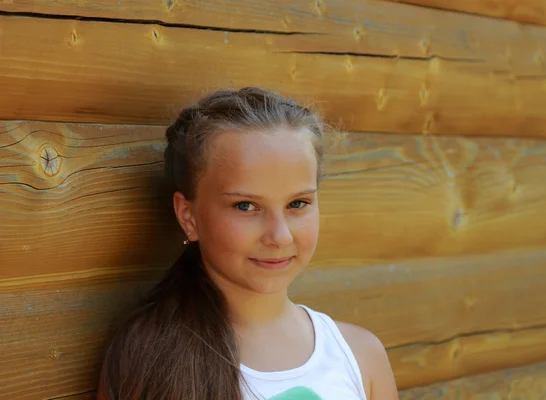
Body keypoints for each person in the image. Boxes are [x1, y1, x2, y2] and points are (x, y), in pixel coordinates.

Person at [97, 87, 398, 400]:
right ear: (189, 216)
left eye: (297, 204)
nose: (279, 236)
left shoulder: (361, 357)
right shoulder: (147, 360)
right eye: (245, 206)